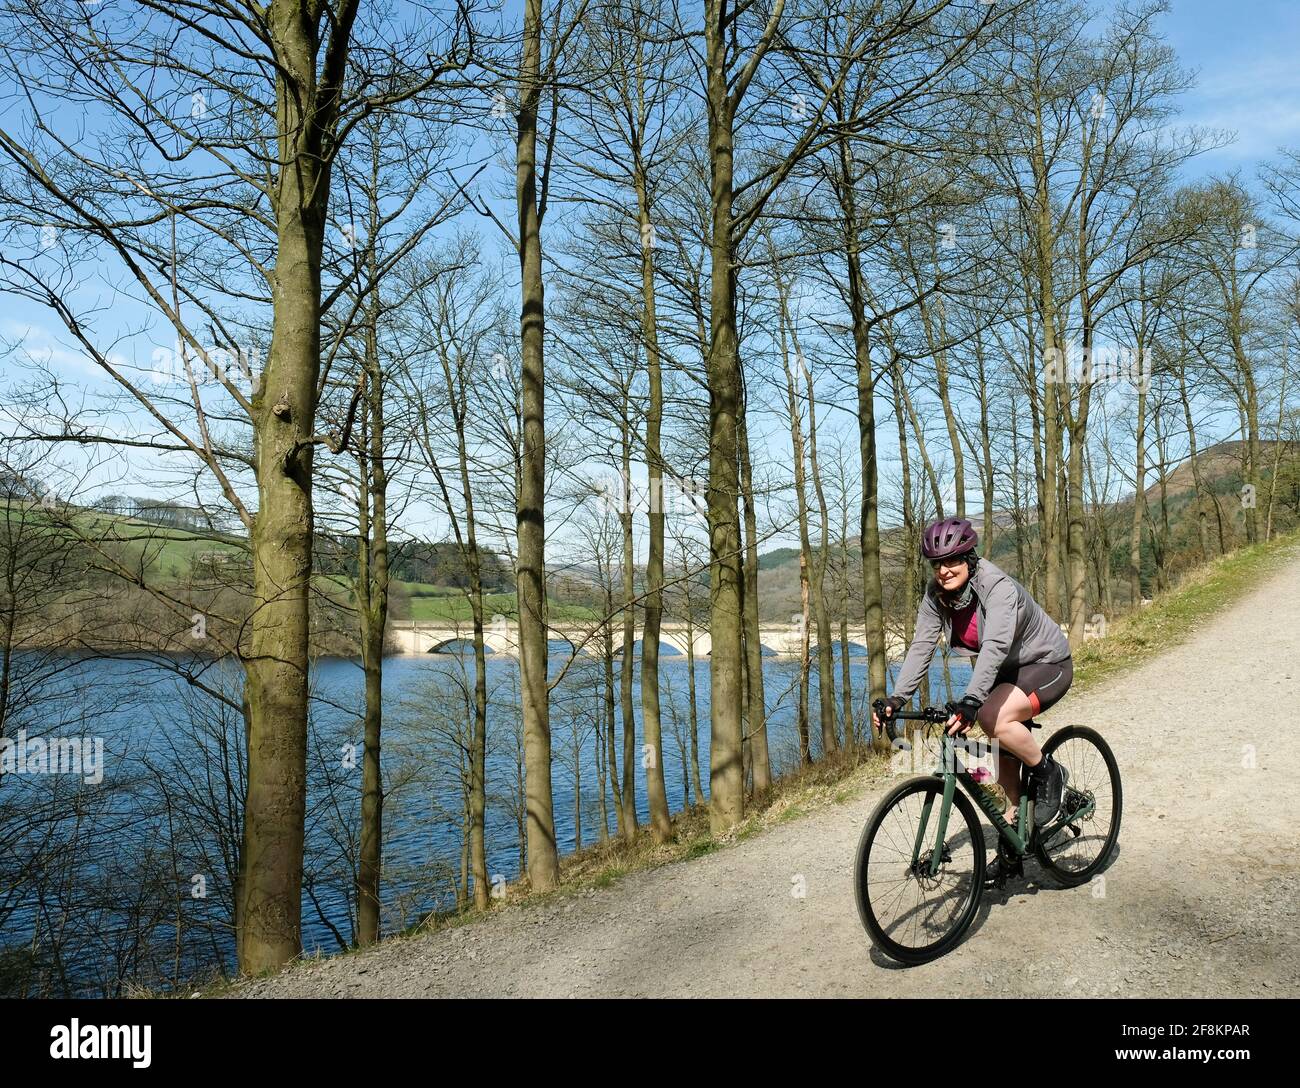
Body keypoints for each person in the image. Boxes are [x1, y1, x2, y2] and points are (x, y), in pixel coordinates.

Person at [872, 516, 1073, 876]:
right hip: (1006, 671)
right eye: (937, 564)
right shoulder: (936, 596)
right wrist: (897, 698)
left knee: (990, 717)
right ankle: (1016, 830)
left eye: (952, 561)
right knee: (994, 744)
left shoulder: (996, 587)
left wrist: (971, 701)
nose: (944, 571)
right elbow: (921, 647)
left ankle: (1049, 773)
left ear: (970, 557)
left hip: (1047, 663)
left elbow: (995, 646)